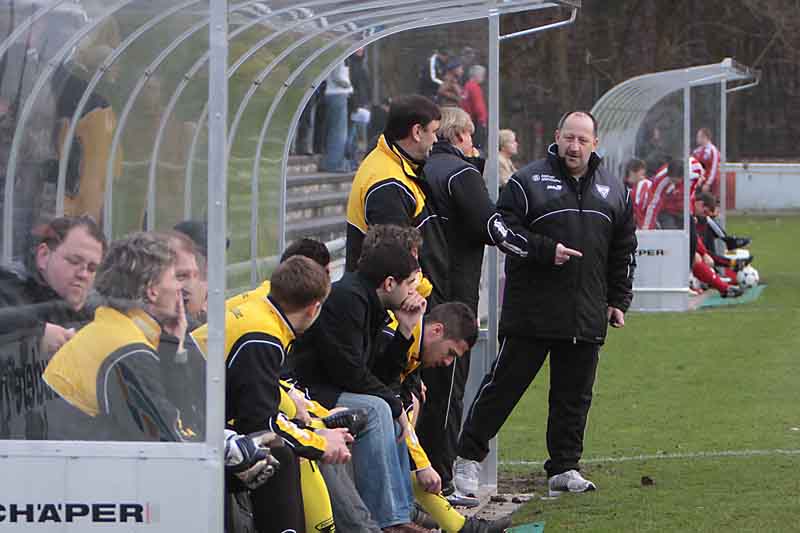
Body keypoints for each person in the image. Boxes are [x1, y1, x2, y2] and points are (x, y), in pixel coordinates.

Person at [453, 111, 637, 498]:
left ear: (595, 144)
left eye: (582, 140)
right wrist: (544, 250)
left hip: (585, 312)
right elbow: (503, 230)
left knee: (574, 397)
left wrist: (619, 299)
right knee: (504, 388)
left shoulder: (614, 190)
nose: (574, 146)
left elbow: (623, 250)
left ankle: (564, 467)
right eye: (569, 138)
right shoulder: (527, 182)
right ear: (557, 136)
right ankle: (467, 458)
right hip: (532, 311)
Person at [417, 107, 529, 505]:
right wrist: (536, 249)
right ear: (460, 134)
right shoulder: (459, 173)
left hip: (424, 292)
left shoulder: (422, 170)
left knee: (421, 392)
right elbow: (492, 226)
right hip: (452, 295)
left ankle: (423, 479)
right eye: (471, 136)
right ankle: (443, 481)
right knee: (448, 391)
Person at [201, 256, 351, 532]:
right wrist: (319, 444)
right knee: (278, 454)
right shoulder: (262, 337)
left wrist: (313, 430)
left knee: (282, 447)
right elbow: (261, 422)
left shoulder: (259, 312)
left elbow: (259, 408)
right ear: (314, 308)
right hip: (190, 437)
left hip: (200, 424)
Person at [291, 242, 432, 533]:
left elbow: (378, 376)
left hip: (333, 387)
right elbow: (350, 372)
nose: (412, 292)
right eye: (409, 284)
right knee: (379, 407)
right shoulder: (347, 299)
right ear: (389, 283)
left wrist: (405, 329)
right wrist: (394, 405)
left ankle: (401, 511)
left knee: (387, 407)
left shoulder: (370, 303)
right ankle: (389, 520)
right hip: (309, 390)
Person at [41, 232, 201, 442]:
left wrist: (174, 345)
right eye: (176, 278)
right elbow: (172, 442)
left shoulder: (110, 327)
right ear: (152, 291)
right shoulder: (128, 352)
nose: (181, 288)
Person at [376, 302, 511, 533]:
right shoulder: (396, 335)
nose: (448, 363)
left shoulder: (412, 344)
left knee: (411, 404)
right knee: (393, 418)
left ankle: (440, 518)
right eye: (450, 353)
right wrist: (423, 465)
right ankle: (403, 512)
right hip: (336, 403)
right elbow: (385, 391)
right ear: (437, 330)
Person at [0, 215, 106, 439]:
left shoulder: (92, 313)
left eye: (91, 268)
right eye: (74, 261)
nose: (83, 274)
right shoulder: (7, 289)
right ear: (43, 256)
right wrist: (34, 335)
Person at [345, 94, 448, 305]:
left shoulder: (393, 162)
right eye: (434, 132)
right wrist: (430, 295)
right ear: (417, 132)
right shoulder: (388, 184)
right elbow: (396, 258)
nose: (436, 140)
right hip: (402, 305)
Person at [320, 60, 354, 173]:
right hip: (338, 94)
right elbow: (336, 77)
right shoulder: (339, 59)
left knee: (334, 131)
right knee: (339, 132)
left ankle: (330, 161)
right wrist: (348, 85)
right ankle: (334, 163)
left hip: (334, 94)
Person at [347, 48, 372, 162]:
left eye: (362, 49)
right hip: (355, 102)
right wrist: (356, 102)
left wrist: (368, 100)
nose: (360, 50)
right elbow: (354, 84)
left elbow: (367, 85)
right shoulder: (352, 65)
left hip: (363, 102)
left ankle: (355, 157)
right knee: (354, 131)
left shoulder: (362, 65)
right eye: (357, 49)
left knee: (360, 132)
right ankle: (351, 157)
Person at [460, 65, 487, 149]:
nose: (483, 77)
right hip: (475, 121)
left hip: (467, 120)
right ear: (477, 75)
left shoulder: (467, 86)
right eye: (482, 75)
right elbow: (478, 105)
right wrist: (482, 120)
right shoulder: (474, 87)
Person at [623, 158, 651, 229]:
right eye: (642, 174)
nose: (643, 177)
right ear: (632, 172)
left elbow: (640, 208)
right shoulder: (624, 188)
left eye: (644, 174)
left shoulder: (644, 184)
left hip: (641, 225)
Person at [692, 127, 720, 195]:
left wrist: (708, 183)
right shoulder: (697, 151)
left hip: (709, 183)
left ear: (705, 137)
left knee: (708, 200)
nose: (697, 139)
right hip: (699, 181)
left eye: (699, 137)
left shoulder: (713, 150)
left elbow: (714, 169)